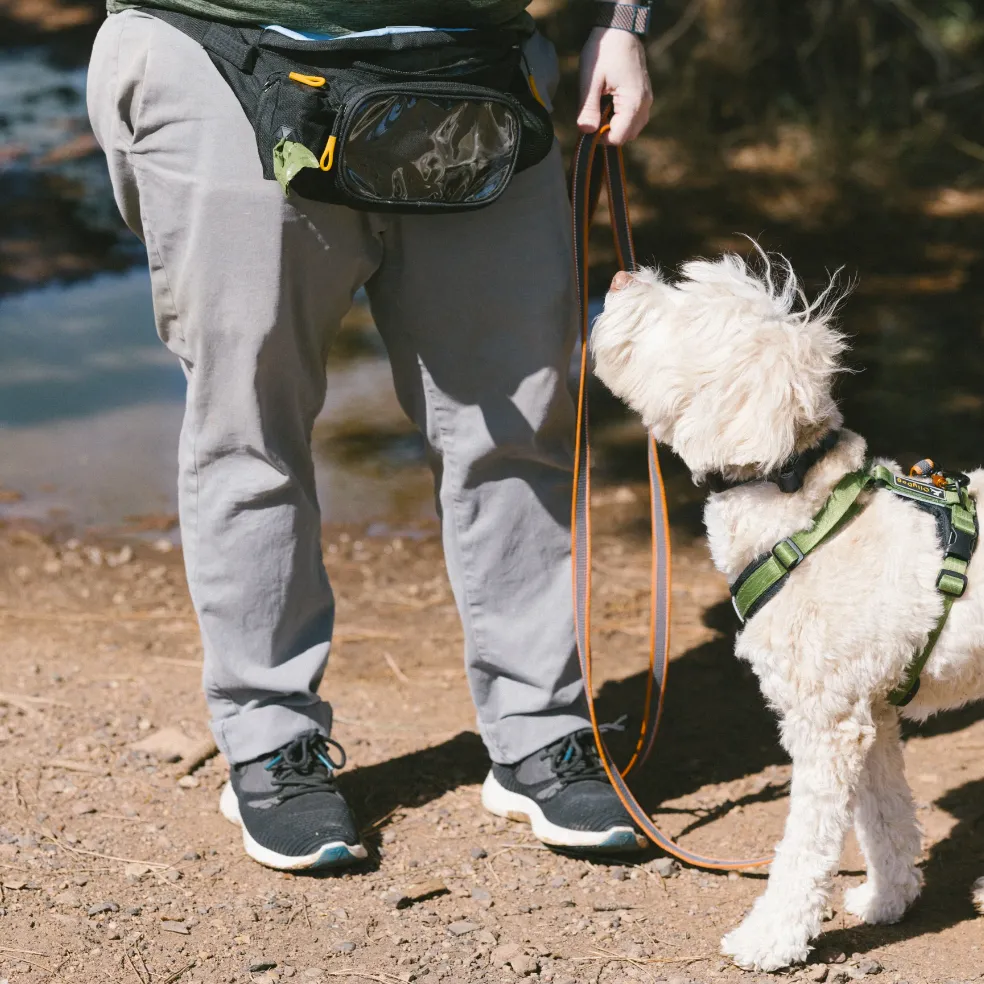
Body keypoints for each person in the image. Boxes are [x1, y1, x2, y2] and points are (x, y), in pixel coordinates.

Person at [87, 0, 655, 871]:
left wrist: (621, 20)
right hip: (225, 54)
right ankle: (269, 744)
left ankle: (541, 730)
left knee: (517, 423)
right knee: (250, 428)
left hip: (480, 64)